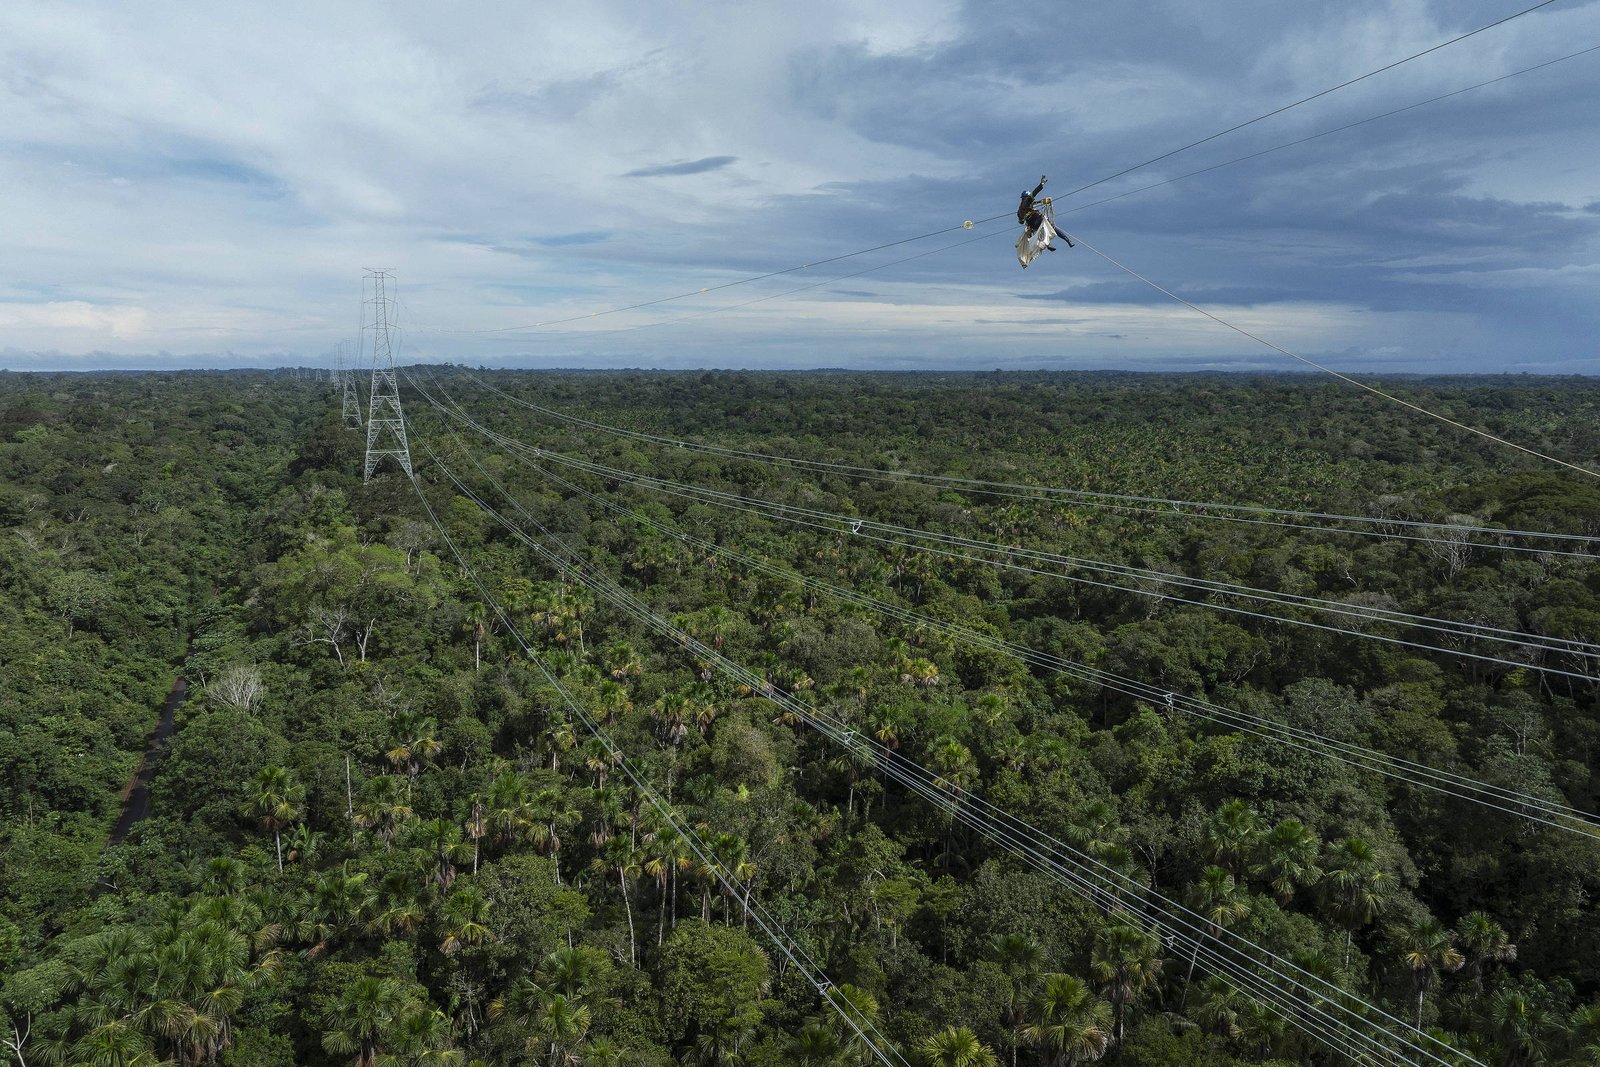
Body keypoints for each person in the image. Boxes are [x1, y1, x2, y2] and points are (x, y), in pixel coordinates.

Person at [1016, 175, 1072, 251]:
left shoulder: (1020, 210)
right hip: (1037, 219)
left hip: (1032, 225)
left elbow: (1021, 221)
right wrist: (1041, 184)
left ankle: (1048, 244)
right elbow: (1034, 193)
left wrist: (1040, 202)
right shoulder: (1027, 201)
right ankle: (1067, 240)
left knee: (1042, 231)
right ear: (1026, 197)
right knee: (1052, 227)